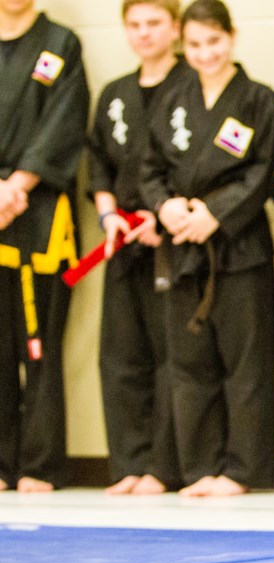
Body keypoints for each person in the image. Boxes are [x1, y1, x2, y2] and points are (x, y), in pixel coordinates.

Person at [140, 0, 274, 497]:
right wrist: (166, 208)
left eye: (214, 42)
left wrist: (213, 214)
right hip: (182, 249)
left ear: (232, 37)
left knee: (246, 365)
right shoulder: (171, 98)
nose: (205, 54)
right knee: (189, 363)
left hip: (239, 249)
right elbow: (149, 167)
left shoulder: (258, 100)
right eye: (195, 45)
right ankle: (199, 468)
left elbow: (261, 171)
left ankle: (243, 471)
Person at [88, 0, 191, 496]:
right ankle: (127, 462)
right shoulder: (115, 93)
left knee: (171, 354)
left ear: (174, 28)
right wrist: (109, 214)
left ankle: (162, 467)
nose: (144, 34)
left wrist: (159, 214)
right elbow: (98, 161)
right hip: (121, 241)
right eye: (135, 25)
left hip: (172, 240)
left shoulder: (191, 87)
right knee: (120, 354)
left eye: (154, 24)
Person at [0, 0, 89, 493]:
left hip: (37, 216)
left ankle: (40, 464)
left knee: (40, 345)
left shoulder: (60, 44)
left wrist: (16, 185)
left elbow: (63, 122)